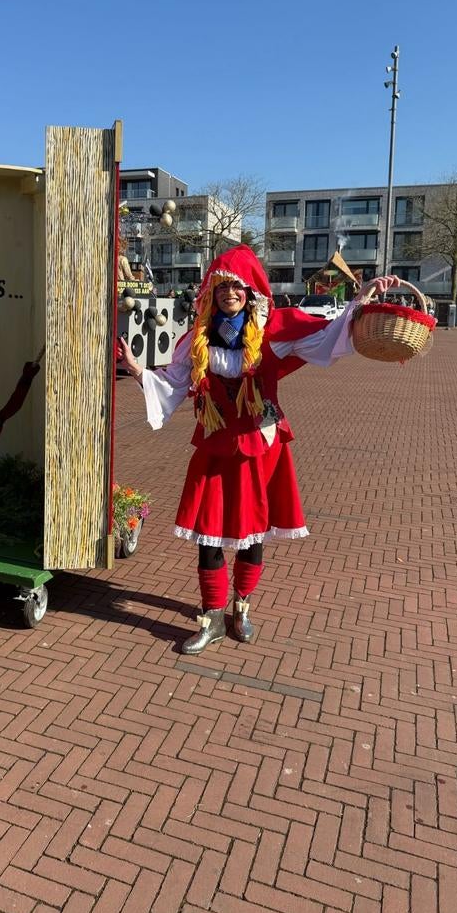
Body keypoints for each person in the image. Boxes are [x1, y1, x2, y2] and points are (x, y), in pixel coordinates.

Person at [118, 245, 399, 655]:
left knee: (253, 534)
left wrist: (363, 298)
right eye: (221, 287)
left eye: (236, 286)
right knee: (208, 536)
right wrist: (137, 369)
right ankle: (212, 618)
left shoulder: (272, 332)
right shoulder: (197, 339)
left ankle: (242, 608)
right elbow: (174, 381)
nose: (229, 293)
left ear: (249, 292)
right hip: (215, 446)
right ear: (211, 293)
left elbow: (328, 335)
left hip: (260, 446)